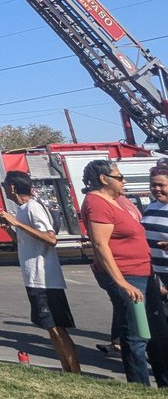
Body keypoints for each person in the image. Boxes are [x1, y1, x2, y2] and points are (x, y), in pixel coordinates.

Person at [81, 158, 168, 387]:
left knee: (157, 334)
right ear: (104, 179)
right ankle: (140, 387)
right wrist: (122, 283)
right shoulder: (97, 203)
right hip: (128, 275)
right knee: (137, 334)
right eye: (119, 177)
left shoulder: (119, 200)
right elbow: (101, 246)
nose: (124, 181)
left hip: (146, 273)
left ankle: (164, 383)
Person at [0, 171, 80, 373]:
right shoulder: (22, 209)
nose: (4, 188)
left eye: (5, 184)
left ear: (14, 187)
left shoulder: (33, 207)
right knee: (50, 329)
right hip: (33, 279)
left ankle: (75, 372)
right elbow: (24, 240)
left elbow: (51, 239)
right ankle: (66, 370)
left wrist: (17, 223)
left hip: (45, 279)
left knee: (57, 328)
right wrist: (10, 229)